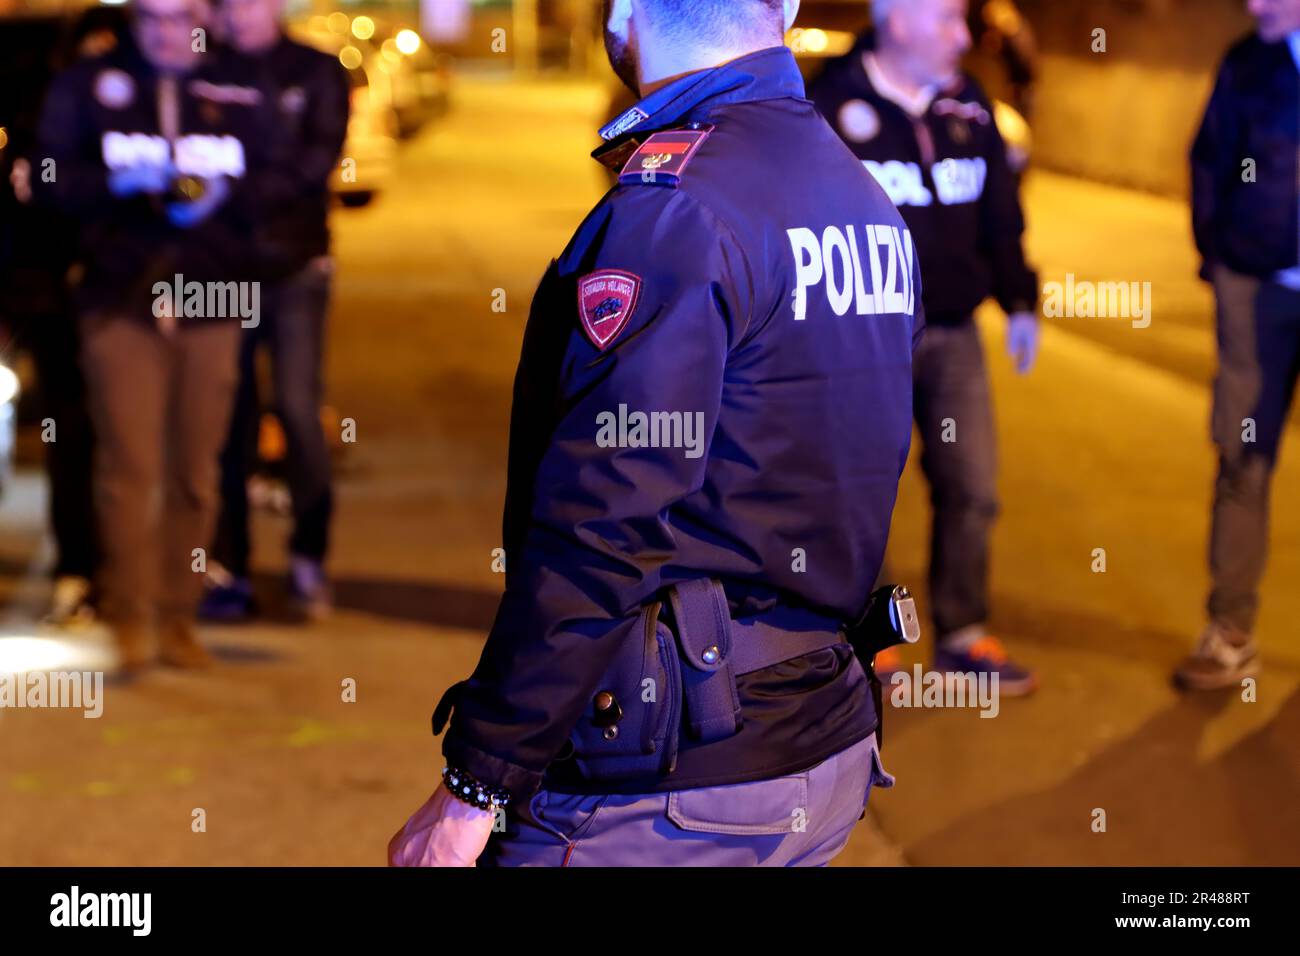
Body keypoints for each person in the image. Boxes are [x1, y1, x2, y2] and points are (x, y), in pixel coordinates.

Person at [390, 0, 922, 867]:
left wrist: (479, 779)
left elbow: (604, 520)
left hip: (672, 790)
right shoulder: (859, 195)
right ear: (784, 8)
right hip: (817, 748)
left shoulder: (675, 209)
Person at [34, 0, 277, 671]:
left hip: (213, 300)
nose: (169, 34)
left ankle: (178, 617)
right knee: (130, 467)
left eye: (183, 18)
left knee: (197, 471)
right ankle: (130, 615)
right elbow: (50, 180)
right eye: (153, 20)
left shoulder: (239, 85)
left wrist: (224, 197)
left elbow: (282, 182)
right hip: (121, 299)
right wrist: (119, 183)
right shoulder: (91, 85)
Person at [809, 0, 1040, 695]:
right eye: (947, 19)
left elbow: (1000, 210)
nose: (963, 37)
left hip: (954, 332)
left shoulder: (971, 106)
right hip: (860, 339)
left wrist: (1020, 297)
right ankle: (869, 638)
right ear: (896, 18)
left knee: (973, 487)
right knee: (858, 492)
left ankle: (963, 633)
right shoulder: (827, 102)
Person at [200, 0, 348, 622]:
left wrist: (228, 185)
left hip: (293, 267)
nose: (236, 13)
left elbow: (315, 163)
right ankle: (228, 567)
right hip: (223, 270)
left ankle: (307, 555)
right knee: (226, 419)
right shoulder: (203, 68)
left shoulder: (315, 71)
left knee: (295, 407)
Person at [1178, 0, 1300, 690]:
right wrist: (1219, 259)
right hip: (1257, 289)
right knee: (1242, 451)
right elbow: (1210, 158)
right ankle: (1230, 629)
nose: (1253, 5)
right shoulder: (1245, 64)